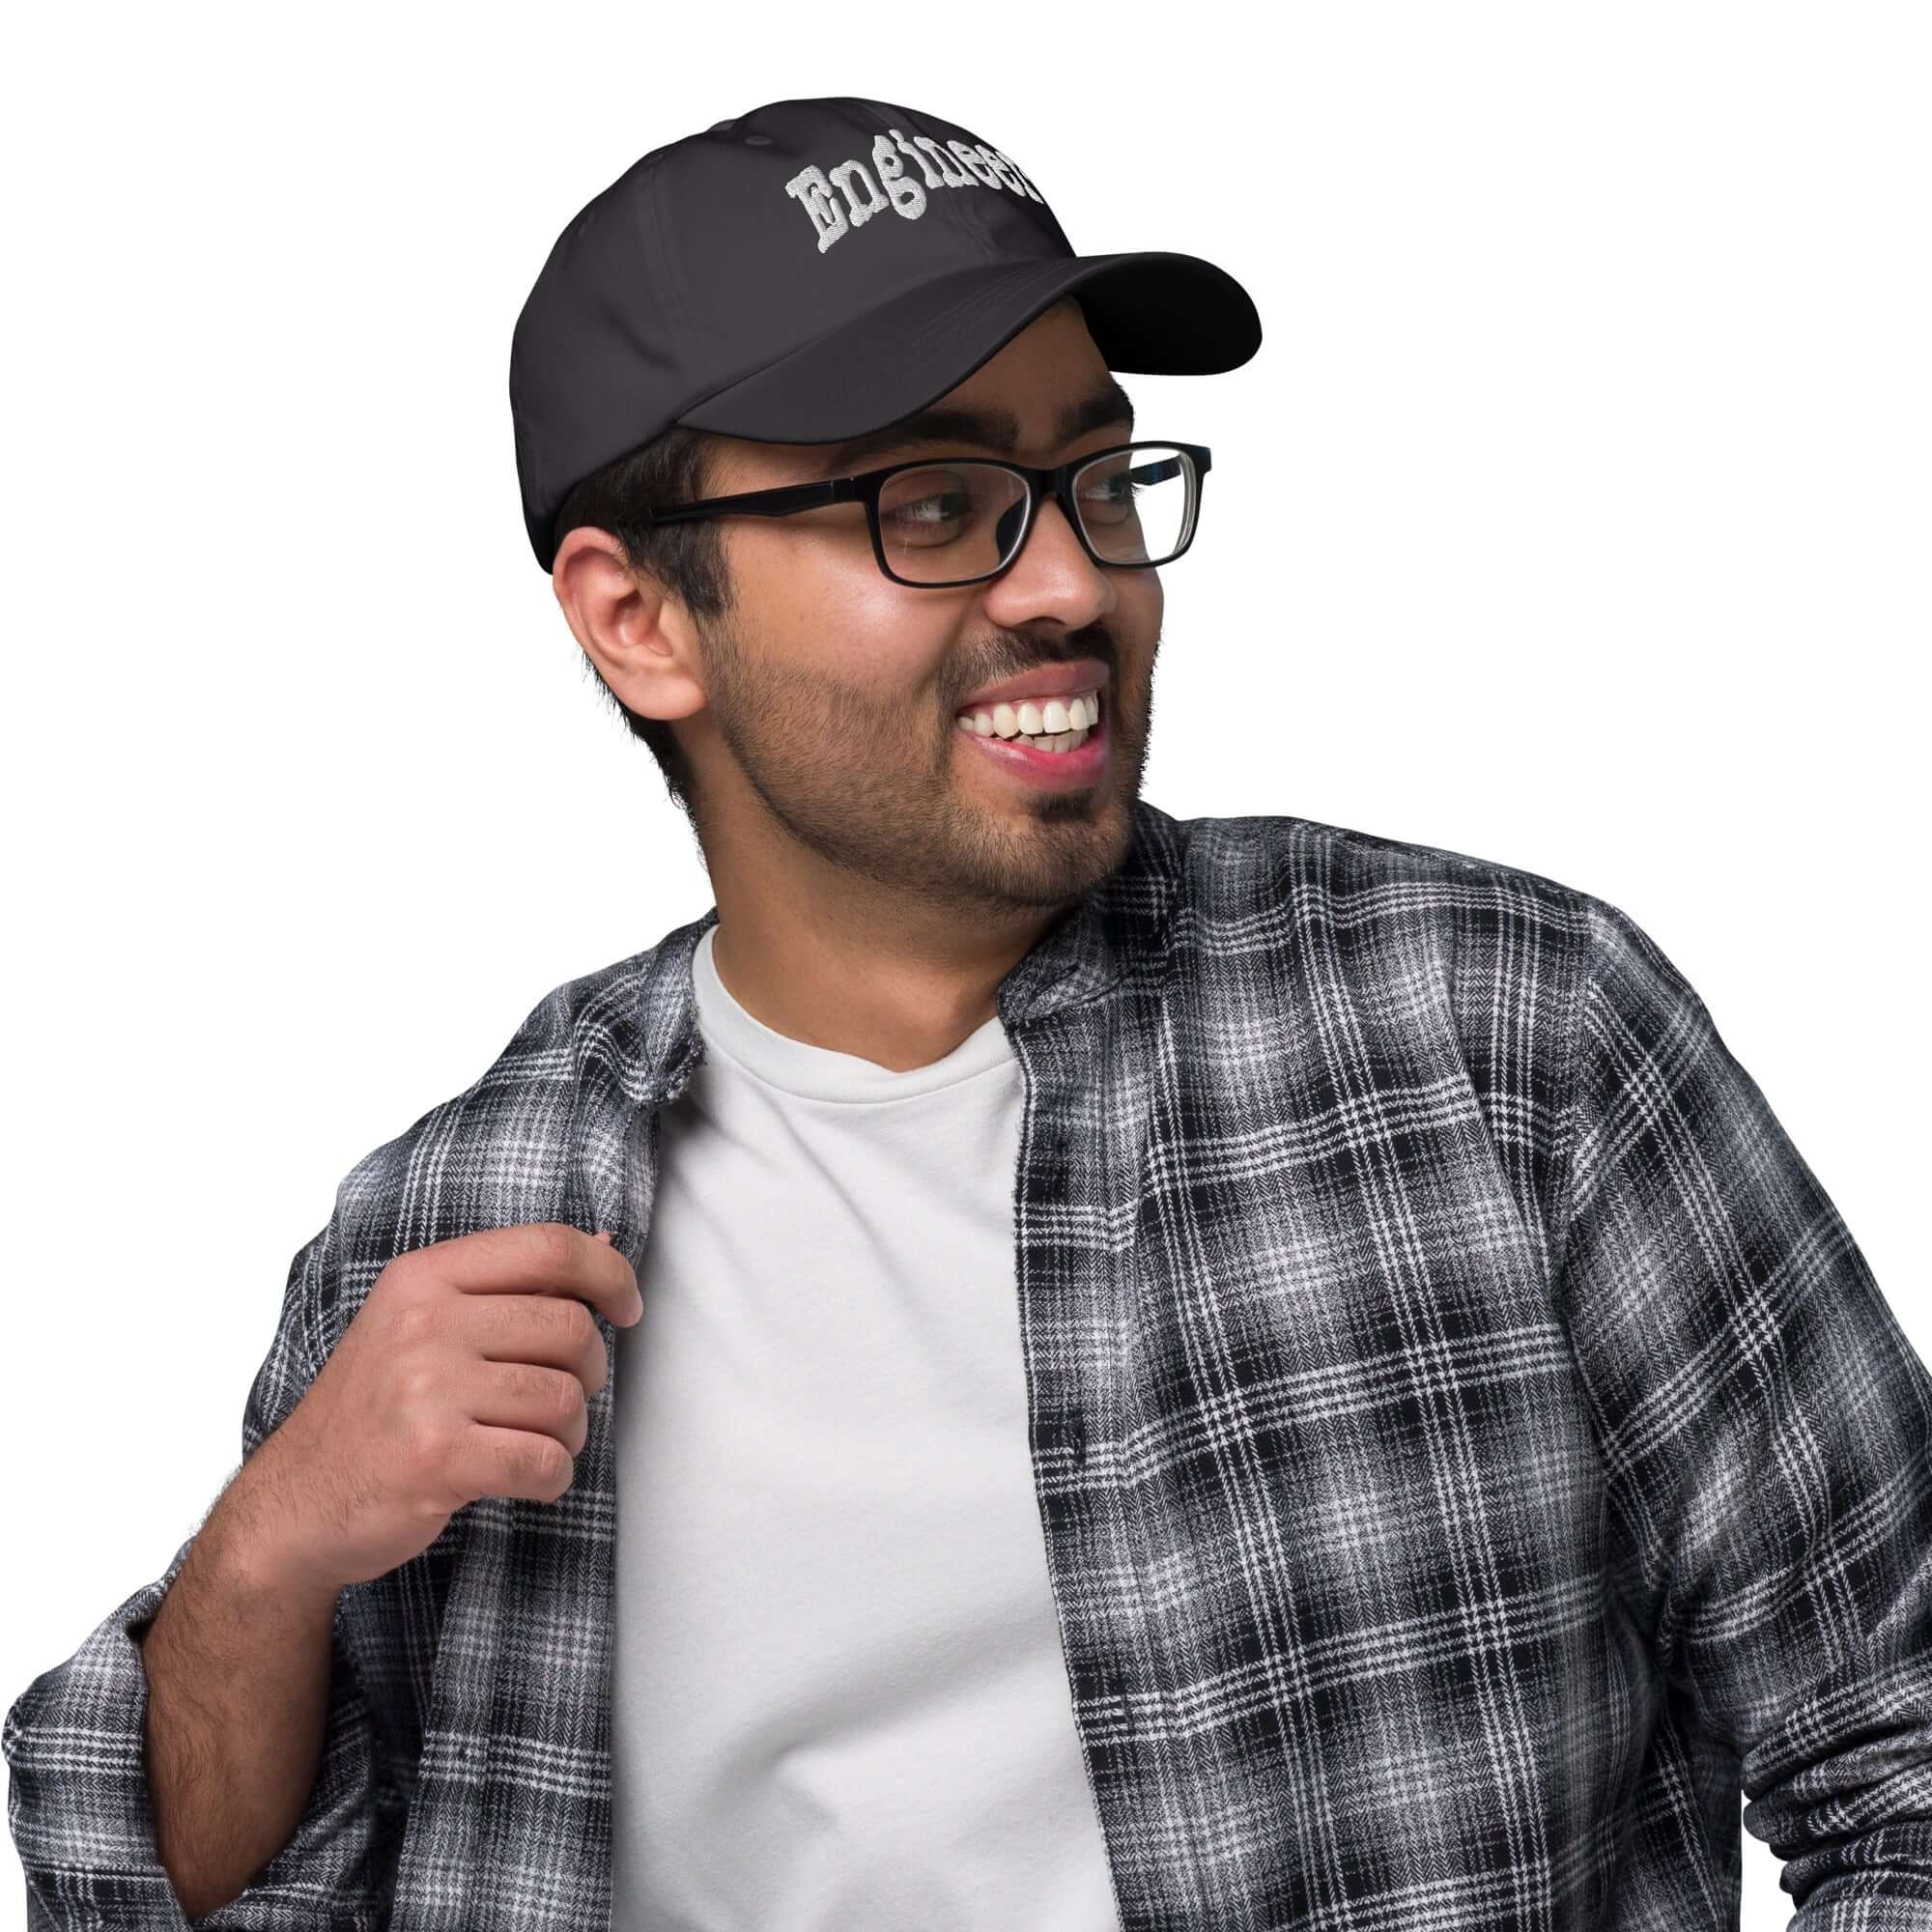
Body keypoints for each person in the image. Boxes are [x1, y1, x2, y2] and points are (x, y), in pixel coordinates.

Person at [7, 94, 1930, 1932]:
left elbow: (1901, 1755)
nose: (1070, 581)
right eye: (937, 502)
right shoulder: (450, 1225)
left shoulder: (1496, 1045)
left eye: (1093, 476)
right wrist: (260, 1562)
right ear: (637, 618)